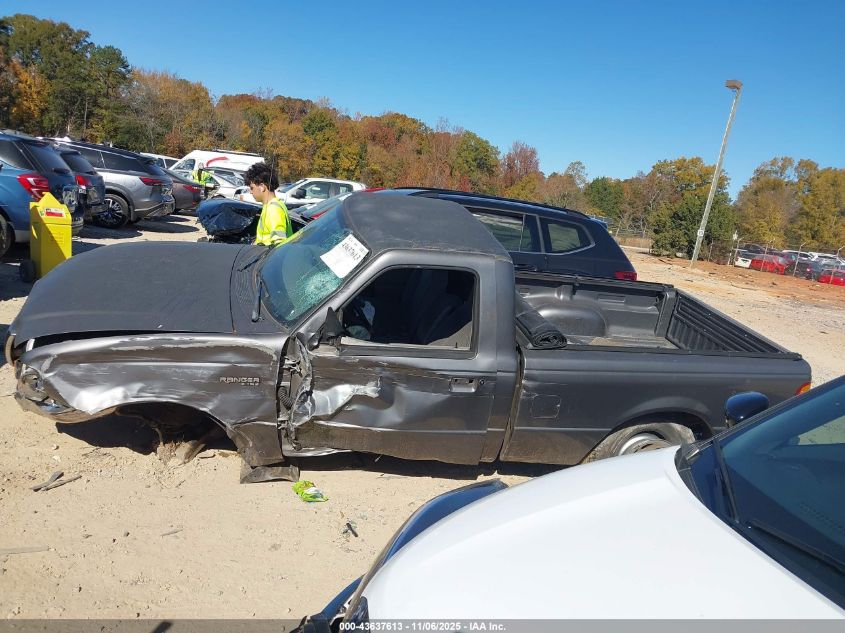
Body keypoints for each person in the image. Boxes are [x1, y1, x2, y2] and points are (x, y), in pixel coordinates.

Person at [244, 162, 292, 246]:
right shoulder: (269, 206)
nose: (251, 192)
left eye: (252, 188)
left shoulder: (274, 209)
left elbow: (279, 243)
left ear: (262, 187)